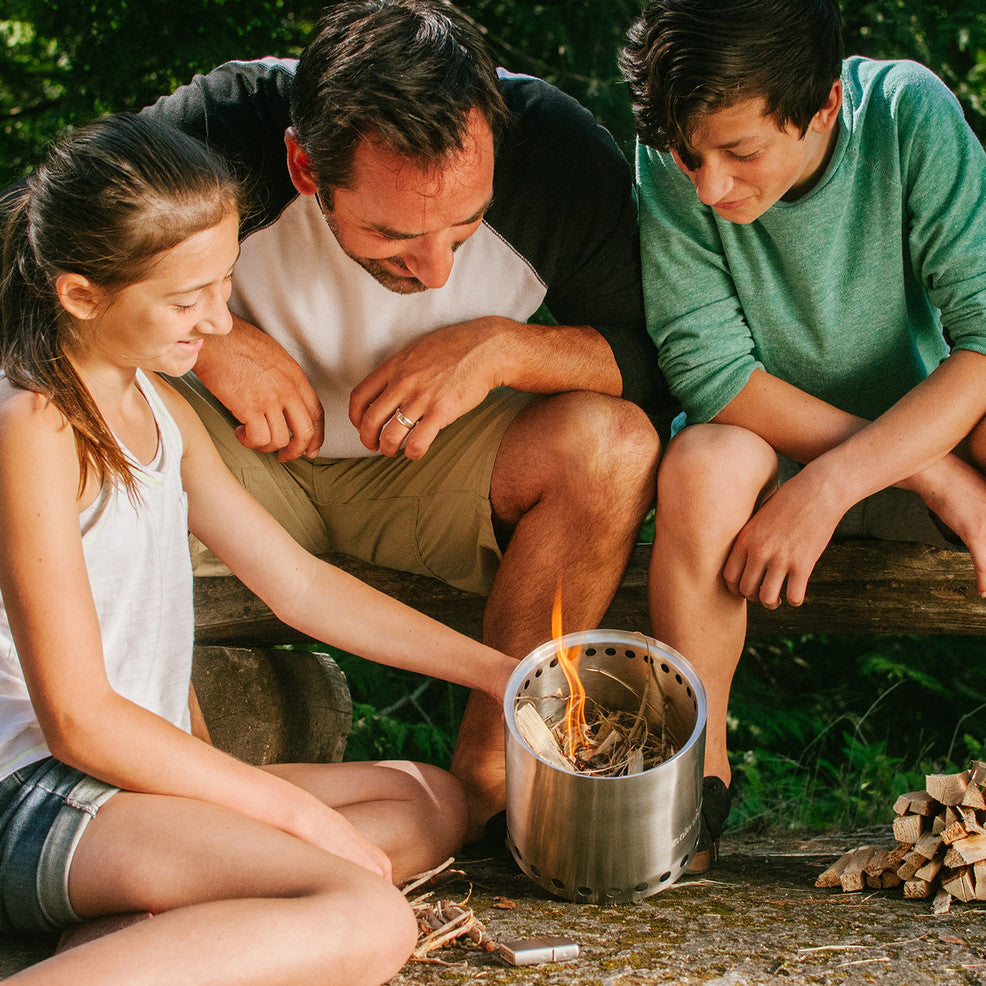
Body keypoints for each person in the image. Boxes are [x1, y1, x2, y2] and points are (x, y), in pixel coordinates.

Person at [0, 112, 520, 985]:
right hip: (42, 800)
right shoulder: (34, 424)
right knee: (366, 914)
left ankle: (139, 940)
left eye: (225, 283)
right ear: (81, 293)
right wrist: (291, 817)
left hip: (138, 789)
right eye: (185, 298)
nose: (218, 322)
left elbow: (301, 587)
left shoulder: (157, 410)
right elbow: (79, 720)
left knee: (430, 799)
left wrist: (498, 673)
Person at [138, 0, 674, 838]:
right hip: (233, 467)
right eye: (393, 235)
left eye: (464, 226)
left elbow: (662, 361)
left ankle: (496, 788)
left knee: (614, 445)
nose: (433, 272)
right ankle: (166, 801)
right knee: (87, 398)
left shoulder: (555, 149)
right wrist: (210, 338)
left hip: (430, 470)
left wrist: (502, 350)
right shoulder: (220, 125)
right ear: (304, 168)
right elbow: (34, 250)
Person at [621, 0, 986, 870]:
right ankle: (693, 792)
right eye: (689, 156)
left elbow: (981, 344)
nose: (708, 185)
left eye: (741, 153)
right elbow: (712, 376)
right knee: (703, 462)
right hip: (777, 456)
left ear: (821, 106)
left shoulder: (907, 114)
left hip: (924, 424)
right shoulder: (677, 150)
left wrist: (847, 480)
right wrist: (920, 476)